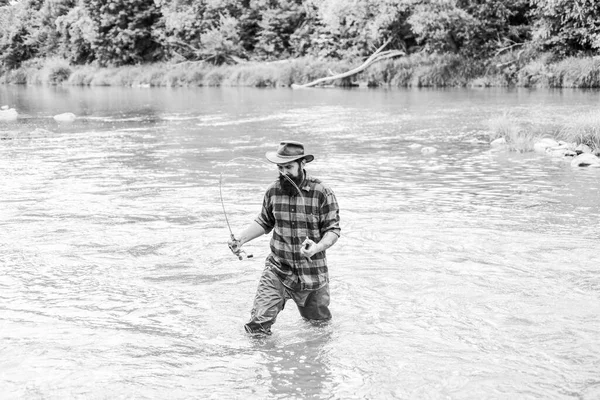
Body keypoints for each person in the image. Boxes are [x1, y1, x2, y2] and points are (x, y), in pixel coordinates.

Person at [228, 140, 341, 335]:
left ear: (302, 164)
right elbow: (264, 221)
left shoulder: (322, 192)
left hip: (313, 275)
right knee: (257, 327)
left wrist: (316, 247)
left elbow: (333, 230)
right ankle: (263, 362)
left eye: (288, 167)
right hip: (278, 270)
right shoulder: (273, 191)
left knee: (319, 330)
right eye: (280, 168)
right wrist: (241, 239)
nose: (284, 173)